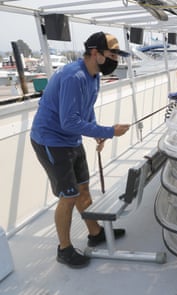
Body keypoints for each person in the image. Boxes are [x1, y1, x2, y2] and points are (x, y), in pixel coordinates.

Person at [30, 32, 131, 268]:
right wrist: (108, 131)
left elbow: (85, 110)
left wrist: (96, 131)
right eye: (112, 54)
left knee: (84, 187)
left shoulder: (93, 77)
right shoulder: (73, 76)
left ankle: (95, 233)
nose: (116, 59)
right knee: (69, 195)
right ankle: (63, 250)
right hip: (51, 140)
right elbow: (68, 122)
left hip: (72, 140)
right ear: (95, 53)